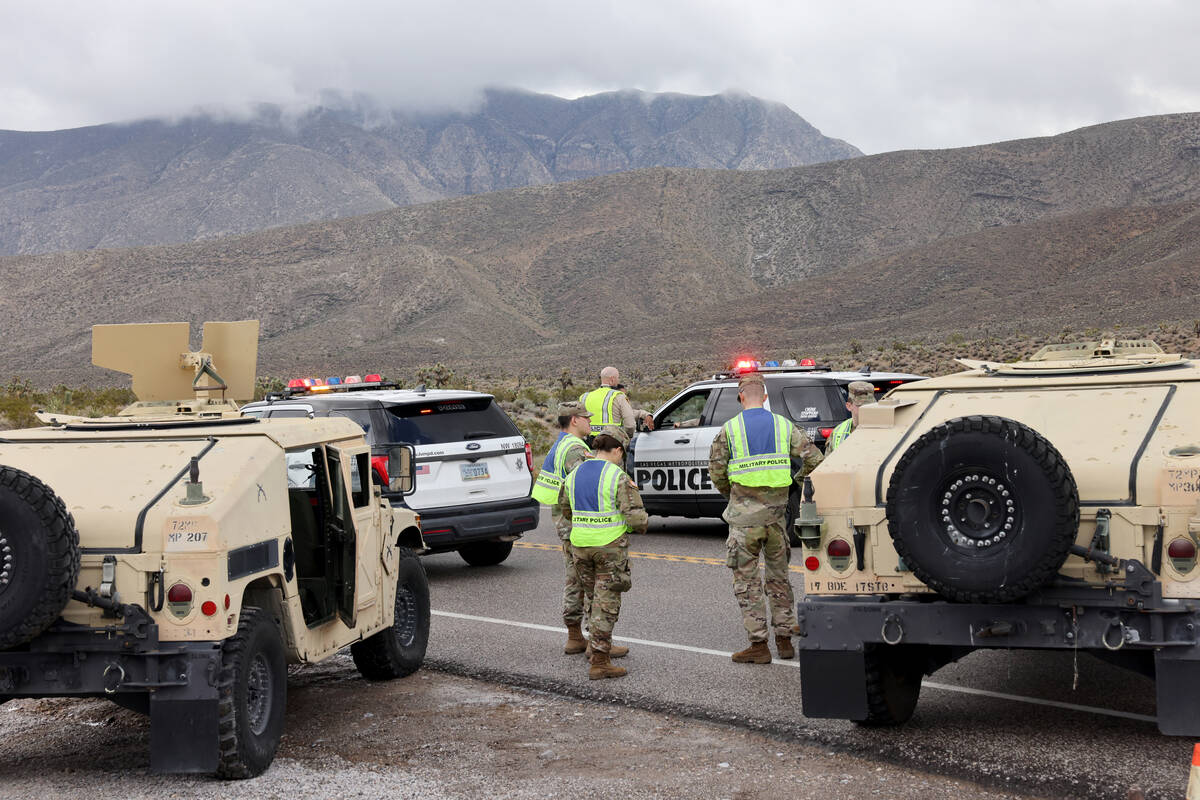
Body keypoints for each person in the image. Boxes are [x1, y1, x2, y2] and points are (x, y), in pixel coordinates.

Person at [708, 373, 823, 664]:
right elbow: (815, 458)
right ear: (766, 396)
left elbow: (717, 471)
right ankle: (784, 640)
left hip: (744, 521)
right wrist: (795, 481)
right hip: (776, 520)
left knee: (747, 582)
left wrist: (732, 495)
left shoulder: (730, 429)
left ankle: (759, 646)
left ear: (741, 396)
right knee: (779, 579)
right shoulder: (784, 425)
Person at [558, 427, 648, 679]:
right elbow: (637, 519)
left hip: (580, 546)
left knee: (592, 600)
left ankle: (595, 646)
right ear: (617, 449)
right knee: (605, 605)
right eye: (623, 453)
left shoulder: (574, 474)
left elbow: (565, 510)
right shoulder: (617, 476)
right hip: (608, 548)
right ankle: (599, 660)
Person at [530, 401, 596, 655]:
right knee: (591, 583)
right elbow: (585, 486)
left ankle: (574, 636)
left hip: (564, 524)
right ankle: (597, 642)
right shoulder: (575, 449)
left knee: (574, 579)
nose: (590, 422)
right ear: (575, 420)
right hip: (579, 525)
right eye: (586, 418)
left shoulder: (559, 444)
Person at [580, 367, 654, 441]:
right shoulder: (618, 396)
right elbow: (630, 425)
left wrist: (645, 414)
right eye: (618, 378)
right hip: (610, 444)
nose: (618, 381)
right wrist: (627, 437)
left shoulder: (585, 397)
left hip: (587, 444)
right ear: (612, 379)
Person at [823, 381, 876, 455]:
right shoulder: (838, 432)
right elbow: (827, 463)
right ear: (849, 406)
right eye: (860, 406)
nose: (866, 409)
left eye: (869, 405)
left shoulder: (883, 430)